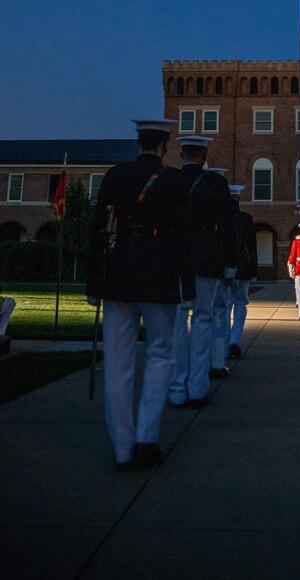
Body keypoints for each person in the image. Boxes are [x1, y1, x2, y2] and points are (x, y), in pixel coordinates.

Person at [87, 118, 190, 472]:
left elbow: (97, 230)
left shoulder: (115, 176)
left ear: (138, 144)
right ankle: (147, 438)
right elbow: (182, 239)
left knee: (117, 363)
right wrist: (185, 286)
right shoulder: (174, 181)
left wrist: (92, 285)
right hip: (159, 277)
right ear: (164, 147)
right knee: (161, 354)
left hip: (118, 275)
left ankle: (123, 449)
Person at [169, 136, 237, 407]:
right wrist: (229, 263)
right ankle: (197, 388)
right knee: (203, 321)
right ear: (205, 154)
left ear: (181, 153)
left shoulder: (170, 181)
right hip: (206, 260)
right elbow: (228, 227)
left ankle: (176, 388)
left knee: (176, 323)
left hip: (174, 261)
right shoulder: (216, 183)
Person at [226, 185, 258, 359]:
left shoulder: (221, 217)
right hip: (242, 268)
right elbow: (251, 247)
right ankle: (235, 341)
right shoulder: (246, 218)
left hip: (223, 268)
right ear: (238, 199)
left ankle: (223, 343)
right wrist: (254, 269)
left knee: (225, 306)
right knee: (240, 304)